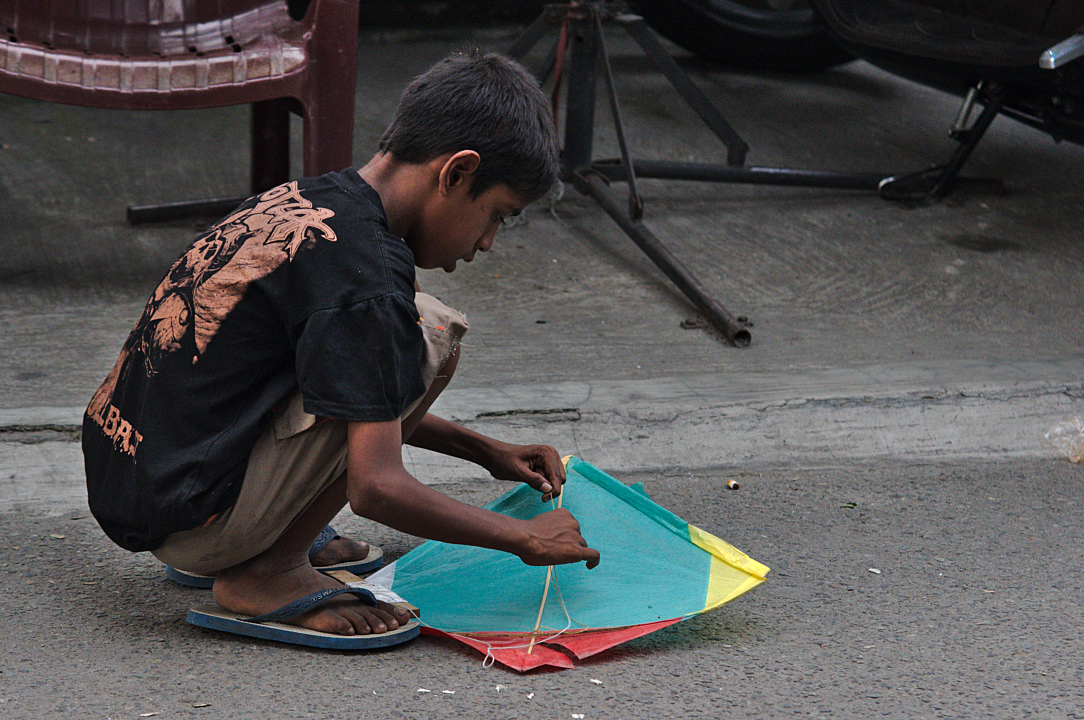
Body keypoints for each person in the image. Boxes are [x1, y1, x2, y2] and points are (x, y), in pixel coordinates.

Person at [82, 49, 600, 644]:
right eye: (497, 215)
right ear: (457, 174)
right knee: (433, 332)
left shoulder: (309, 200)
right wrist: (525, 538)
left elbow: (355, 385)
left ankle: (268, 535)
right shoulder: (369, 279)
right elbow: (376, 488)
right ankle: (268, 570)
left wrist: (483, 450)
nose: (486, 242)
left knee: (390, 329)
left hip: (139, 483)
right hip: (195, 520)